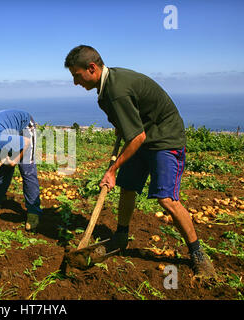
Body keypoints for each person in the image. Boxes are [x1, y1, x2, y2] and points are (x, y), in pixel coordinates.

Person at [64, 45, 216, 277]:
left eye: (76, 75)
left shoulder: (116, 90)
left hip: (164, 139)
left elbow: (137, 136)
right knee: (128, 187)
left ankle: (197, 254)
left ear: (92, 68)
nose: (75, 82)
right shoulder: (106, 90)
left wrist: (113, 169)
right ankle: (121, 237)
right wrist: (121, 129)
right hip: (142, 137)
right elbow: (129, 125)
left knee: (166, 199)